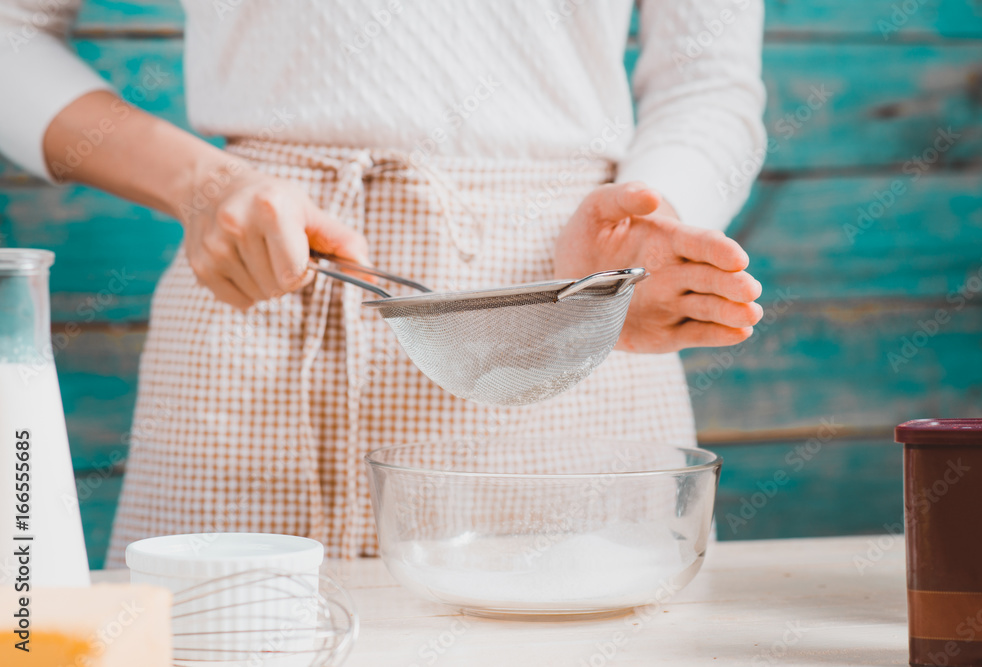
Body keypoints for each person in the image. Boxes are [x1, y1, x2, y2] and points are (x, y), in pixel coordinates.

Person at [0, 0, 766, 566]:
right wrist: (201, 183)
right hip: (258, 298)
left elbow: (712, 82)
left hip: (570, 312)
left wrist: (651, 222)